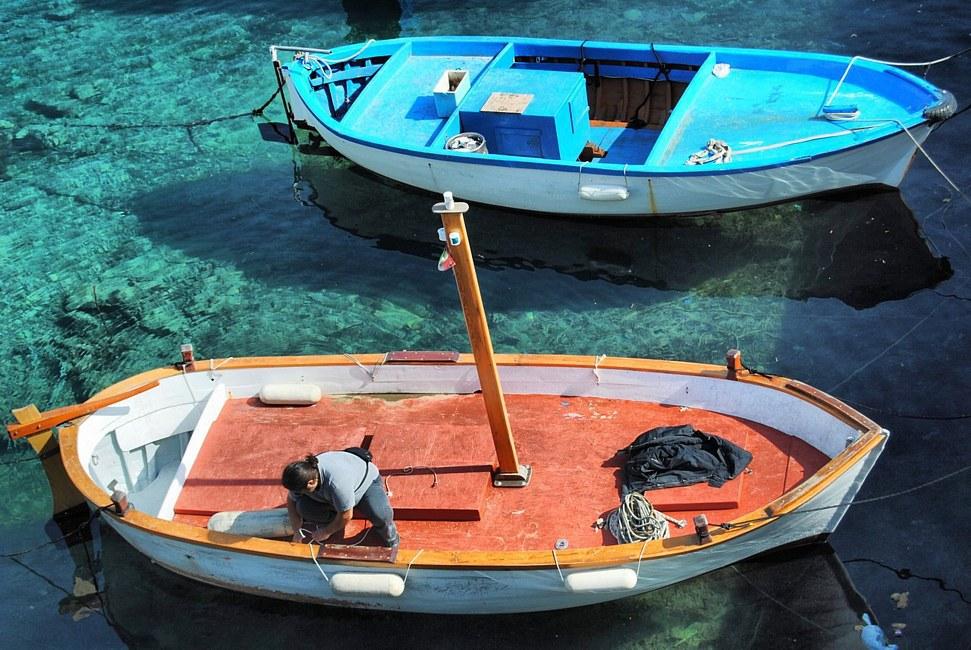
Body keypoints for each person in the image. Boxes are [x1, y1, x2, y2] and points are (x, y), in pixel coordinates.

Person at [282, 451, 398, 547]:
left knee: (381, 515)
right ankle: (334, 518)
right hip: (336, 493)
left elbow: (346, 515)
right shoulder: (304, 476)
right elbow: (291, 500)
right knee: (303, 508)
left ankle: (392, 541)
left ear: (311, 483)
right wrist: (296, 531)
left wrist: (326, 532)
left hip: (365, 485)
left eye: (300, 491)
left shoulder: (337, 484)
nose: (297, 493)